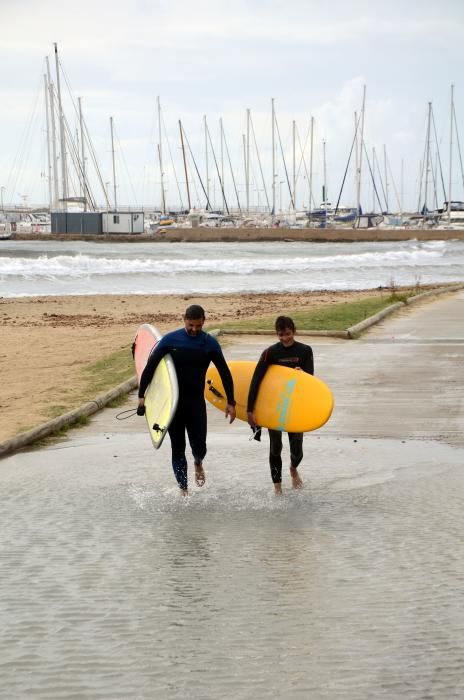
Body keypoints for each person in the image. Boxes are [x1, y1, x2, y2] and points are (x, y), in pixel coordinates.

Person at [137, 305, 236, 495]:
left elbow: (224, 372)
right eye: (191, 325)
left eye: (198, 326)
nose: (194, 329)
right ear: (184, 319)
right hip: (173, 405)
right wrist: (142, 396)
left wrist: (231, 402)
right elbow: (150, 367)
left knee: (199, 446)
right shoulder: (170, 340)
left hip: (195, 404)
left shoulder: (209, 343)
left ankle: (198, 462)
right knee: (177, 447)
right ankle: (183, 489)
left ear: (204, 321)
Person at [247, 316, 314, 496]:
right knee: (275, 447)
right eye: (281, 335)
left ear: (294, 331)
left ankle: (293, 468)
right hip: (274, 406)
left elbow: (312, 381)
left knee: (297, 449)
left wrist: (303, 375)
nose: (285, 338)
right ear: (276, 334)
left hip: (295, 406)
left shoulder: (305, 351)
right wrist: (250, 409)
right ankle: (277, 487)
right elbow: (256, 381)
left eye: (288, 334)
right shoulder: (270, 353)